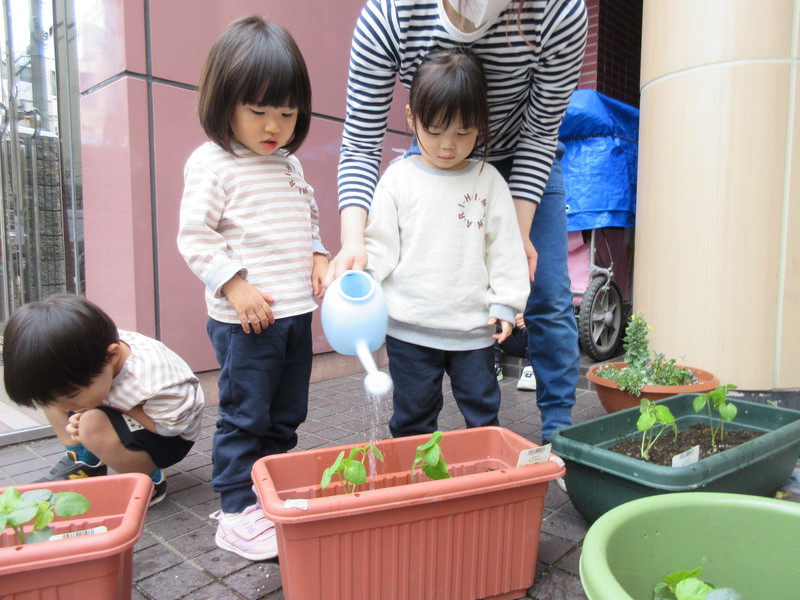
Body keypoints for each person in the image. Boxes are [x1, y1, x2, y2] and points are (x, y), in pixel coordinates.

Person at [331, 0, 587, 444]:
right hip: (429, 157)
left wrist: (515, 238)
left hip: (518, 156)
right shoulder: (392, 12)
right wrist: (356, 244)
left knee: (546, 293)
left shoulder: (558, 11)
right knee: (422, 251)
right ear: (413, 121)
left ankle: (560, 438)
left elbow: (540, 132)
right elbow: (361, 141)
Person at [177, 15, 329, 561]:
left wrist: (318, 254)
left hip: (294, 315)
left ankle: (269, 488)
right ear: (225, 103)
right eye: (259, 111)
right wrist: (236, 285)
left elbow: (307, 218)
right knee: (245, 412)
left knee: (287, 413)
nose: (274, 126)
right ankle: (237, 509)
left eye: (286, 113)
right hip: (245, 320)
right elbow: (194, 236)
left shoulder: (288, 166)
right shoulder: (213, 163)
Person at [364, 48, 529, 437]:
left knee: (483, 414)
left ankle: (485, 479)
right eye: (435, 131)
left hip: (474, 329)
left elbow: (505, 250)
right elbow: (380, 245)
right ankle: (416, 488)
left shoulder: (488, 181)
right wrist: (362, 282)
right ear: (411, 118)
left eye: (464, 132)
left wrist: (507, 303)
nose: (448, 146)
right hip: (408, 328)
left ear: (481, 125)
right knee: (412, 418)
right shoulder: (397, 179)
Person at [2, 294, 205, 507]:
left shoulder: (157, 382)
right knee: (49, 387)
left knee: (91, 424)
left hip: (169, 434)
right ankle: (84, 459)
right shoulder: (90, 353)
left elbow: (168, 428)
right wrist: (85, 404)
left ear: (112, 356)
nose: (65, 410)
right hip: (122, 405)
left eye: (72, 395)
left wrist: (102, 405)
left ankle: (150, 480)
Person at [493, 312, 537, 391]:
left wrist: (532, 317)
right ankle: (495, 366)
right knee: (490, 321)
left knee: (538, 324)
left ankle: (532, 368)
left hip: (536, 340)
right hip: (511, 335)